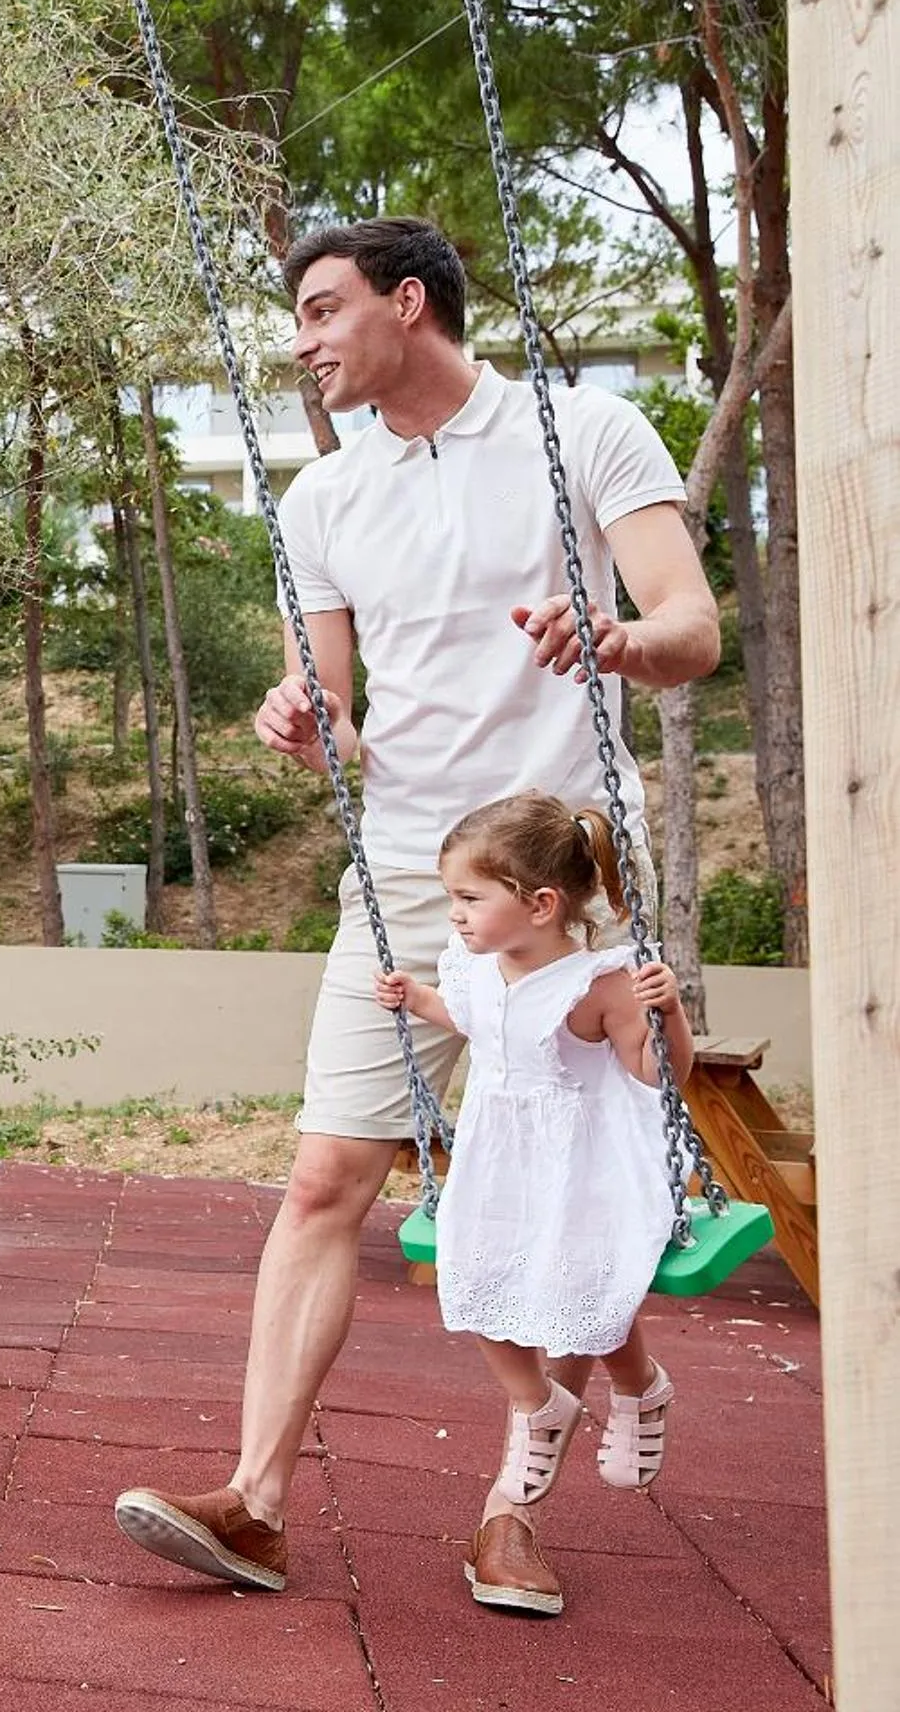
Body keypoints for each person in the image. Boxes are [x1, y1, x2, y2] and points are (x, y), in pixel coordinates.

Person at [112, 217, 719, 1593]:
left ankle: (515, 1507)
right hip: (406, 869)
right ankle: (257, 1501)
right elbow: (334, 709)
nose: (304, 344)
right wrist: (301, 718)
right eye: (296, 323)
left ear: (407, 301)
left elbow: (692, 628)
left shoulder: (585, 429)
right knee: (327, 1175)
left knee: (563, 1186)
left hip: (563, 866)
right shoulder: (323, 500)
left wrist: (618, 638)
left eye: (322, 311)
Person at [368, 792, 689, 1616]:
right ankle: (537, 1403)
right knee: (474, 1281)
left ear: (540, 905)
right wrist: (417, 1000)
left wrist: (669, 1013)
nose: (455, 913)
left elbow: (658, 1074)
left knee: (586, 1289)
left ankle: (640, 1385)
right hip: (500, 1162)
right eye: (452, 897)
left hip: (584, 1165)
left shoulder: (600, 983)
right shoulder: (474, 964)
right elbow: (475, 1020)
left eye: (469, 897)